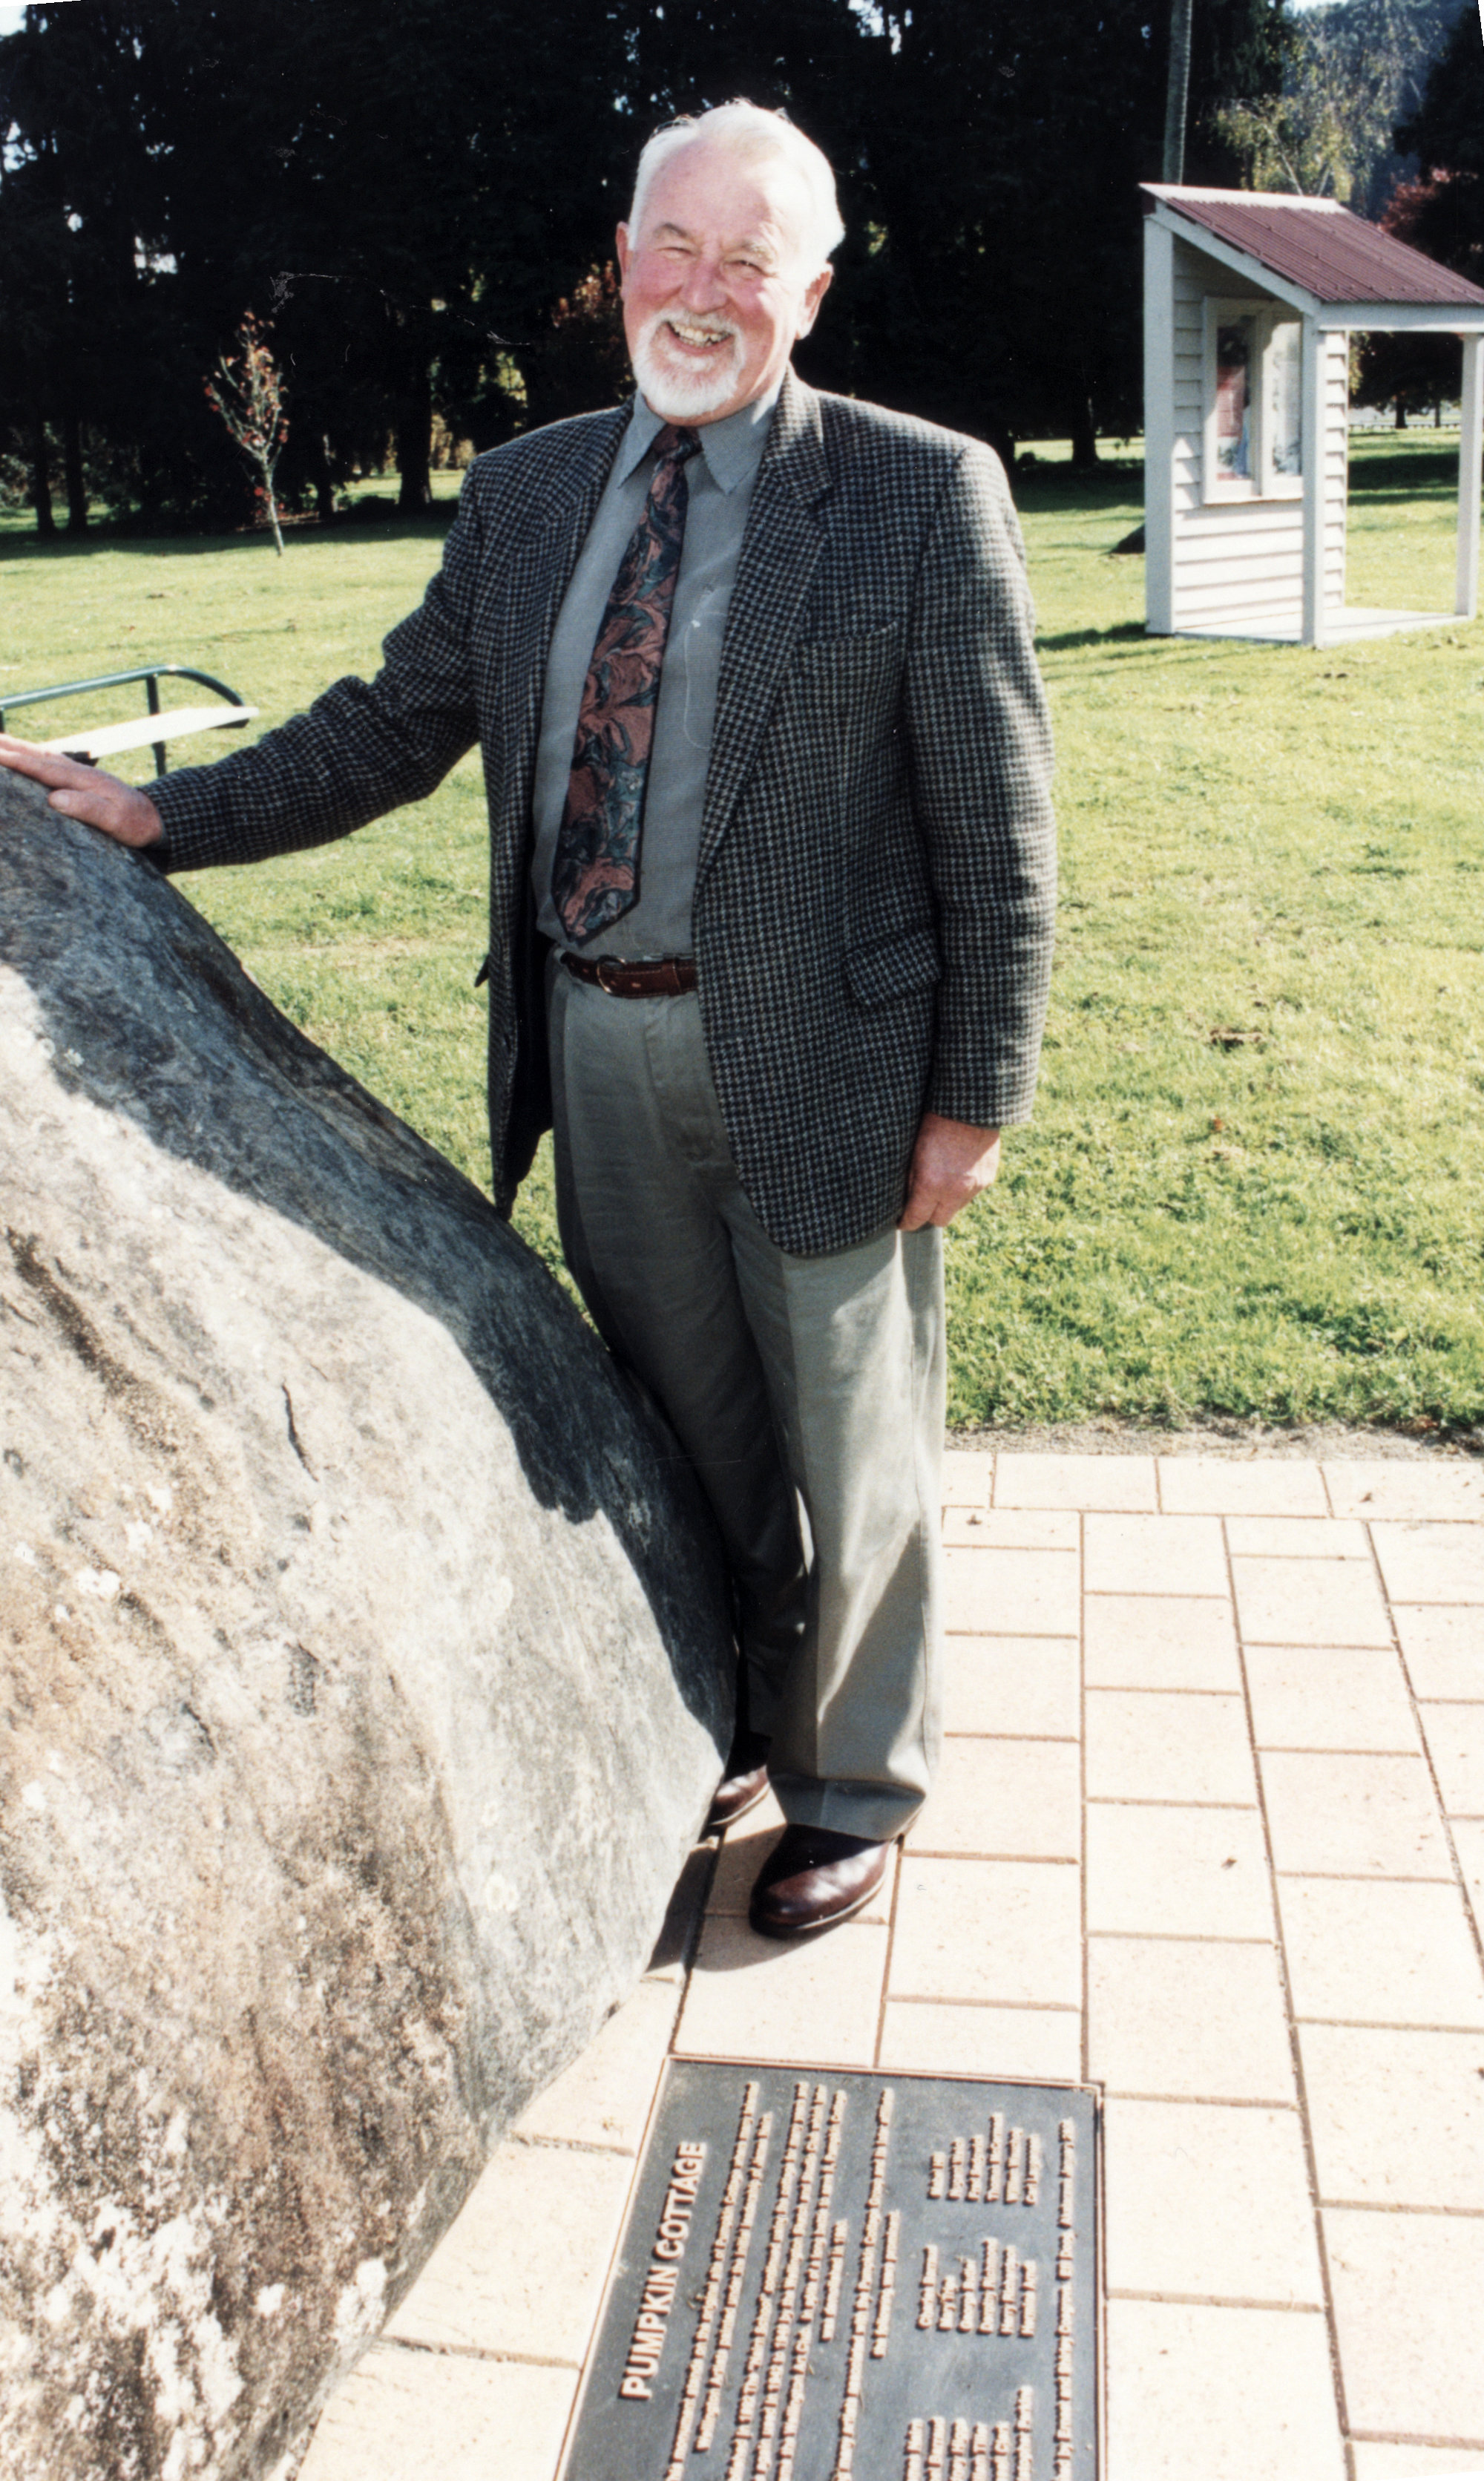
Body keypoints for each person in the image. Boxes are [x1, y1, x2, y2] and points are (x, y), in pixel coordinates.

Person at [0, 101, 1055, 1940]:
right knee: (700, 1425)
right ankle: (740, 1698)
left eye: (751, 260)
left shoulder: (914, 491)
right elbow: (393, 725)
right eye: (678, 244)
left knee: (849, 1444)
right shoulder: (529, 491)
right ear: (622, 253)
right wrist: (169, 814)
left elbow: (998, 823)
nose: (705, 289)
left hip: (835, 1070)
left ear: (808, 291)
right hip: (603, 1047)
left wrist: (975, 1099)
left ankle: (857, 1779)